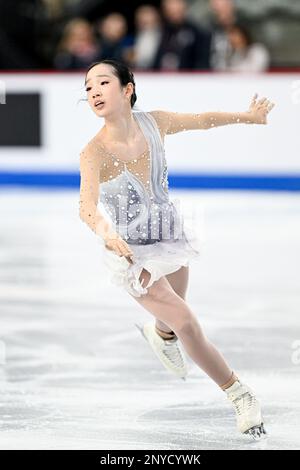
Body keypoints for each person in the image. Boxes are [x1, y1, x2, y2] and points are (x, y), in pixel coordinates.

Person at [78, 58, 275, 439]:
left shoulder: (156, 122)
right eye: (87, 88)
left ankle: (161, 335)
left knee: (171, 321)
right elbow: (86, 205)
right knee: (186, 321)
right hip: (132, 254)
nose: (94, 92)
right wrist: (107, 232)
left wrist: (248, 117)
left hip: (170, 236)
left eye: (102, 83)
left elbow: (202, 119)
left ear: (127, 88)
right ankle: (240, 395)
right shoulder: (93, 153)